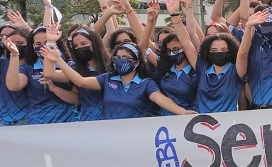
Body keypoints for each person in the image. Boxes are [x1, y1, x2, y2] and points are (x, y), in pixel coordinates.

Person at [42, 39, 196, 119]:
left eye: (126, 58)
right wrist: (58, 60)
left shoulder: (146, 83)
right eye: (118, 57)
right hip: (110, 135)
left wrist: (182, 112)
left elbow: (161, 99)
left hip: (135, 136)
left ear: (136, 63)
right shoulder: (107, 79)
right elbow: (81, 81)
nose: (121, 61)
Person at [166, 0, 247, 113]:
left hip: (229, 126)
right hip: (200, 125)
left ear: (231, 50)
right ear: (207, 51)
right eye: (214, 50)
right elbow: (186, 41)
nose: (219, 52)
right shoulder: (202, 66)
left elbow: (243, 53)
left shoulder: (236, 70)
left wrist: (249, 27)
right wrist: (174, 15)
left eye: (223, 50)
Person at [4, 25, 78, 124]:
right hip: (38, 122)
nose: (43, 46)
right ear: (33, 46)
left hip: (68, 120)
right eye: (38, 43)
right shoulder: (29, 67)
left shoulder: (68, 65)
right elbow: (13, 86)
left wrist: (55, 89)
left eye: (47, 42)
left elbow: (76, 100)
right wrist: (14, 54)